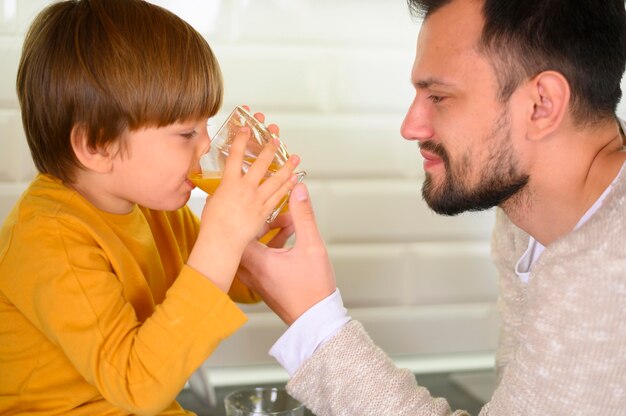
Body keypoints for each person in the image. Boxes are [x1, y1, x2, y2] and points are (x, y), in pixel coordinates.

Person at [237, 0, 626, 414]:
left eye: (438, 96)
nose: (411, 126)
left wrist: (314, 320)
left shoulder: (607, 265)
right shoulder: (524, 217)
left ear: (541, 105)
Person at [0, 0, 299, 414]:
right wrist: (223, 237)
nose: (207, 145)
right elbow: (136, 388)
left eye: (206, 125)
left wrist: (258, 231)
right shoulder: (50, 239)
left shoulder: (156, 205)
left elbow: (231, 281)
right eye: (186, 132)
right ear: (97, 145)